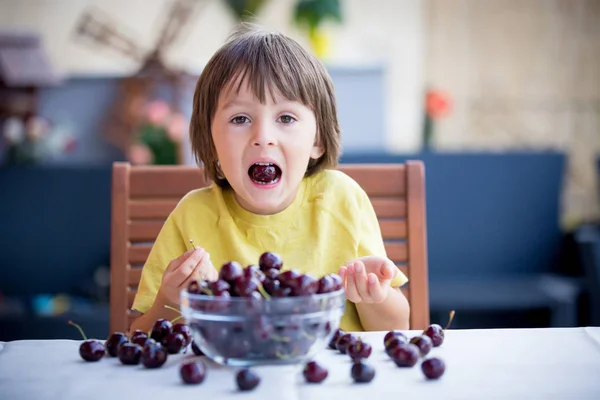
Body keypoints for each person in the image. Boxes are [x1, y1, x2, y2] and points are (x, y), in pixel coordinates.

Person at [130, 26, 410, 334]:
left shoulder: (342, 200)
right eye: (240, 119)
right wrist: (168, 302)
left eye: (286, 118)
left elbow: (399, 325)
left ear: (317, 139)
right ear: (211, 144)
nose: (263, 138)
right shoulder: (192, 216)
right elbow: (137, 336)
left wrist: (374, 296)